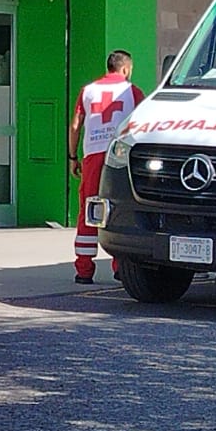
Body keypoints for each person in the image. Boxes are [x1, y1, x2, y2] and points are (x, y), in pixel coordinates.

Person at [68, 50, 145, 284]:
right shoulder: (133, 92)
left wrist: (72, 157)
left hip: (92, 155)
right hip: (119, 156)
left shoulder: (88, 90)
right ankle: (120, 266)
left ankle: (83, 270)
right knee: (120, 207)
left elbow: (75, 126)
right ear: (125, 69)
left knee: (88, 209)